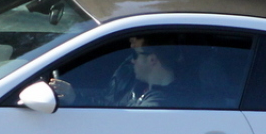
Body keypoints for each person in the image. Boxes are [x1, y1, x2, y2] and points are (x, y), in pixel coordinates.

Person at [51, 36, 190, 108]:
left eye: (135, 55)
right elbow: (110, 104)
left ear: (152, 60)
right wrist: (75, 98)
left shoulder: (158, 104)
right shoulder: (139, 86)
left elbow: (115, 123)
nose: (131, 61)